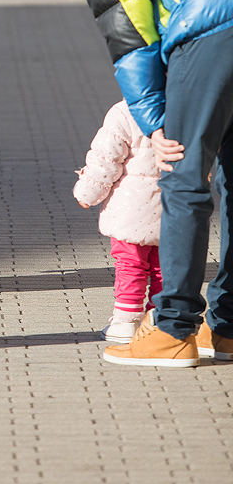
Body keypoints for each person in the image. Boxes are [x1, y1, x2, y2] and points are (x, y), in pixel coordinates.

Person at [20, 0, 233, 367]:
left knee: (181, 172)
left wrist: (154, 121)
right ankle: (226, 326)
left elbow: (127, 31)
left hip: (213, 22)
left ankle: (172, 329)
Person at [73, 99, 162, 343]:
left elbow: (105, 161)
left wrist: (86, 194)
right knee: (164, 266)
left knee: (131, 263)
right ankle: (160, 318)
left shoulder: (125, 112)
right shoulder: (190, 106)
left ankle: (126, 321)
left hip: (131, 209)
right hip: (173, 205)